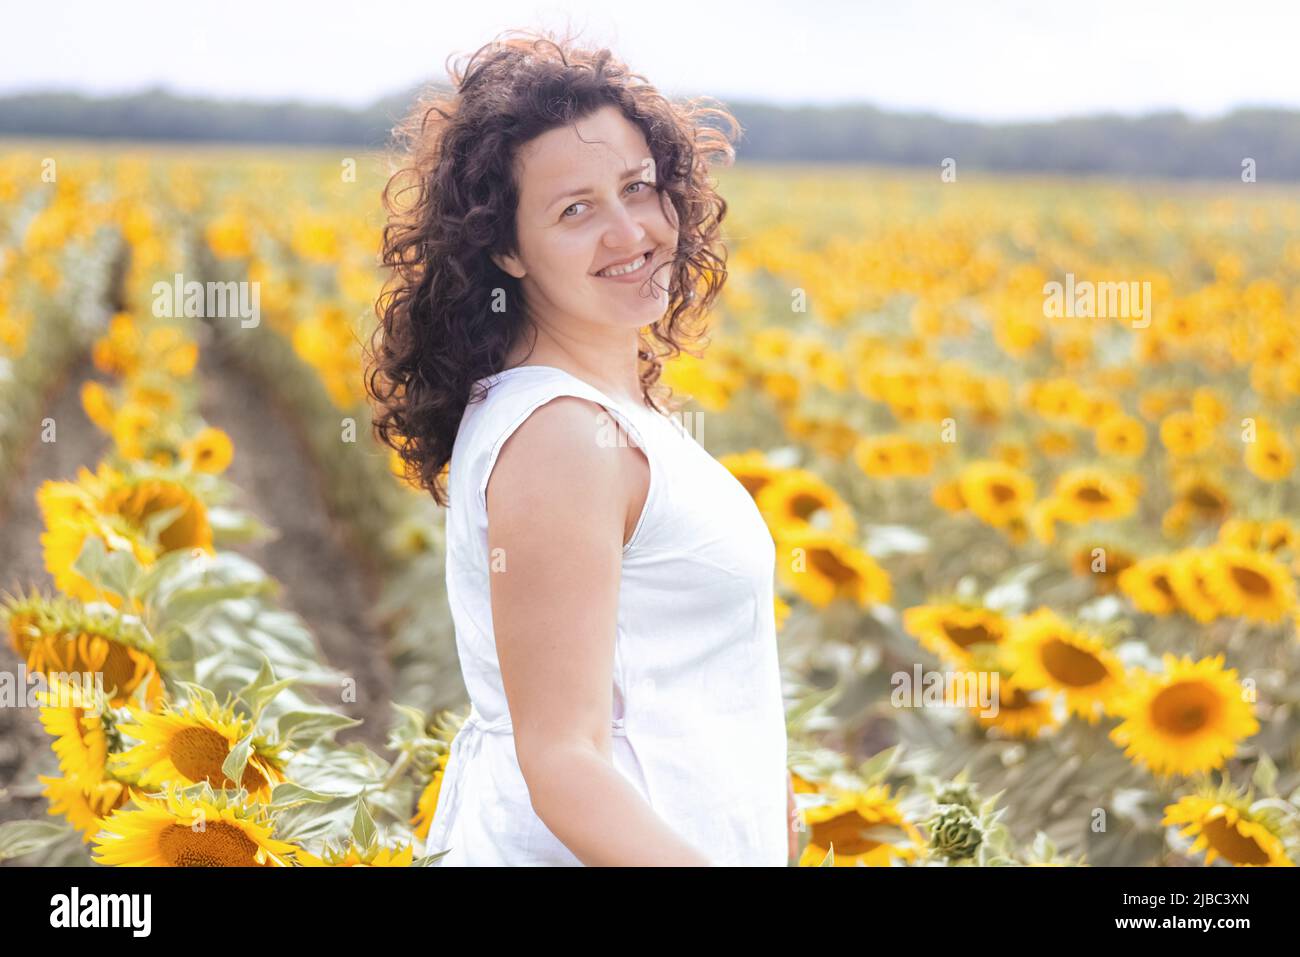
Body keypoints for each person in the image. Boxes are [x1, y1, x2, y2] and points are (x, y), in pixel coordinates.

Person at [365, 27, 797, 866]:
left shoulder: (601, 412)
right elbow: (561, 762)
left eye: (639, 187)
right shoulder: (564, 435)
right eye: (576, 209)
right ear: (504, 248)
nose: (630, 230)